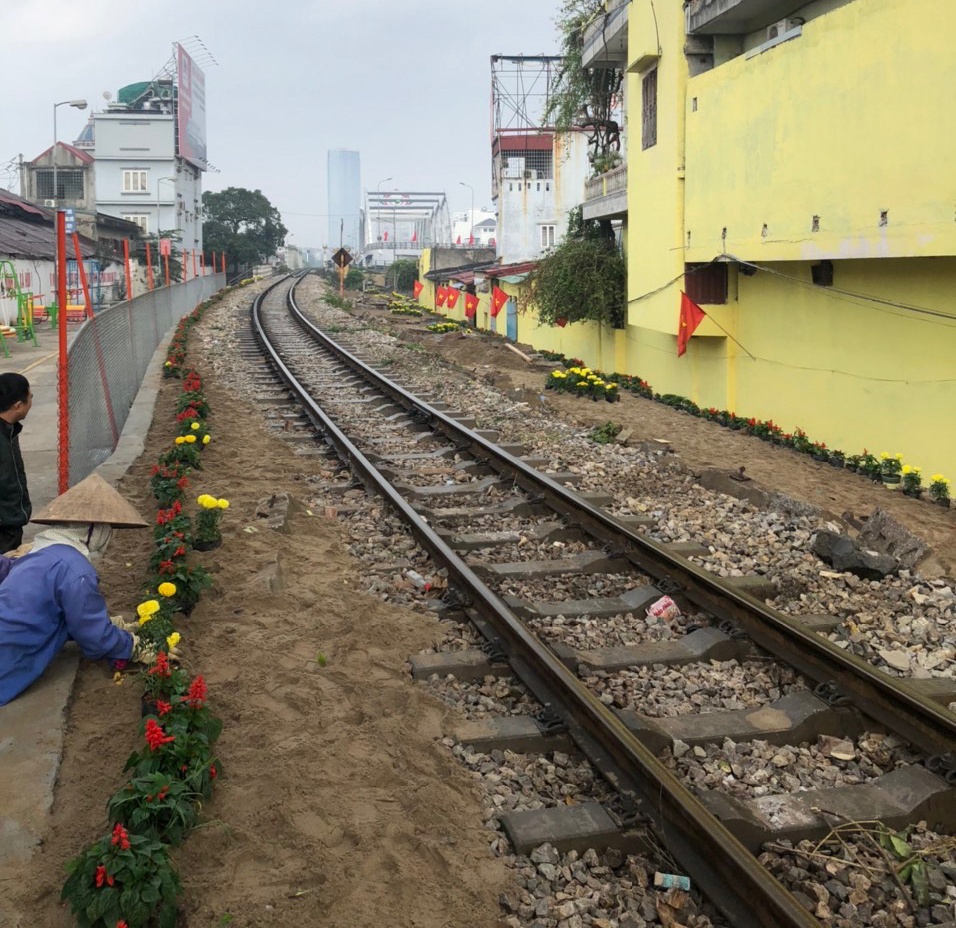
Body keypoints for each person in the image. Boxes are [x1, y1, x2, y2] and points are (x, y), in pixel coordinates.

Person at [0, 472, 169, 707]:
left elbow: (45, 608)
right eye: (106, 529)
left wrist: (110, 625)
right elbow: (93, 637)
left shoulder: (37, 552)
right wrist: (134, 647)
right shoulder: (76, 570)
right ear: (93, 531)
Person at [0, 372, 32, 553]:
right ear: (18, 406)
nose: (31, 401)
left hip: (10, 524)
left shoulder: (9, 431)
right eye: (30, 398)